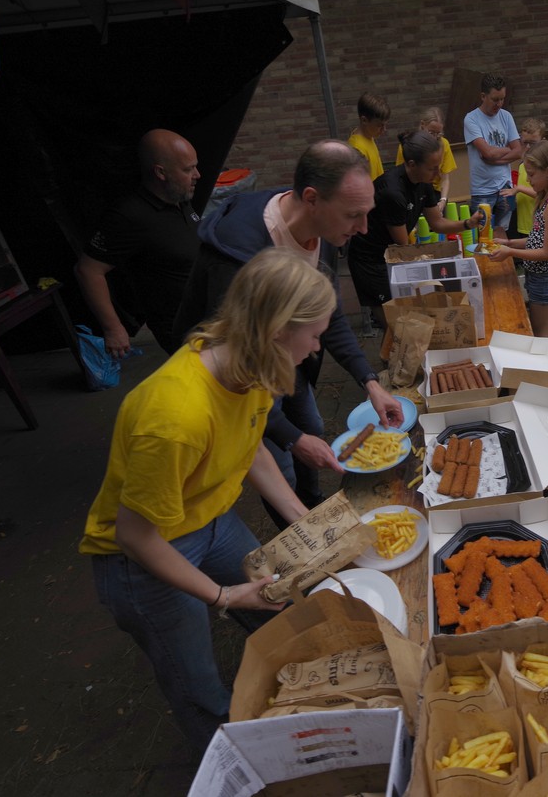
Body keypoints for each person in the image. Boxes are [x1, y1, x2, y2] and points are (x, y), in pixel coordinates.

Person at [80, 248, 335, 751]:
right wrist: (223, 596)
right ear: (277, 331)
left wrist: (301, 519)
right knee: (197, 685)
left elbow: (250, 442)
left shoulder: (249, 365)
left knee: (283, 614)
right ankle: (234, 764)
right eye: (314, 335)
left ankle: (307, 708)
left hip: (210, 521)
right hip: (144, 554)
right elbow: (134, 536)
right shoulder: (175, 418)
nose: (316, 348)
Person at [171, 141, 402, 513]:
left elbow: (329, 313)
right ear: (312, 199)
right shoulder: (237, 257)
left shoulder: (326, 230)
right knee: (280, 462)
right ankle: (295, 525)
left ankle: (310, 502)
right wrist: (290, 438)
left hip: (283, 358)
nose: (362, 228)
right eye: (353, 216)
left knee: (311, 425)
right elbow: (233, 370)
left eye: (366, 214)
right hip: (238, 377)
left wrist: (370, 382)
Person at [75, 129, 201, 357]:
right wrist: (113, 328)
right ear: (160, 172)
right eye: (188, 169)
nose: (197, 175)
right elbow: (88, 271)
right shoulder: (129, 215)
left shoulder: (180, 200)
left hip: (210, 315)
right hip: (183, 329)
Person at [349, 131, 484, 321]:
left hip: (392, 253)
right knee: (394, 322)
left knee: (408, 320)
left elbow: (437, 223)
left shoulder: (424, 182)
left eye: (438, 167)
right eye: (432, 168)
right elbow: (404, 244)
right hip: (370, 260)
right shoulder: (393, 192)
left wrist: (468, 223)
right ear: (412, 164)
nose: (437, 174)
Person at [488, 140, 548, 338]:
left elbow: (547, 252)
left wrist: (510, 252)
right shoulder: (547, 198)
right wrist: (508, 243)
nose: (528, 180)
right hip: (540, 274)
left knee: (540, 336)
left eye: (532, 175)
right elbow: (536, 240)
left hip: (545, 276)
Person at [464, 73, 523, 239]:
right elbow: (487, 152)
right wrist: (506, 149)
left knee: (502, 231)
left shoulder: (506, 116)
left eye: (502, 99)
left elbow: (518, 151)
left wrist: (494, 158)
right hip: (482, 189)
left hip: (505, 185)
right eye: (495, 99)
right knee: (483, 235)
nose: (499, 104)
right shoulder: (471, 119)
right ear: (483, 96)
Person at [394, 107, 456, 204]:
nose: (434, 137)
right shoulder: (409, 144)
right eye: (431, 133)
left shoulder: (444, 144)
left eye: (438, 133)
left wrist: (443, 199)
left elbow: (445, 178)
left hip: (435, 193)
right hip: (414, 191)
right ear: (423, 125)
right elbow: (401, 175)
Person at [512, 118, 548, 238]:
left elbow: (546, 195)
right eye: (525, 143)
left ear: (543, 141)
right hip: (522, 224)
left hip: (538, 225)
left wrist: (519, 188)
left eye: (533, 143)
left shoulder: (545, 167)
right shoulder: (522, 165)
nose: (528, 147)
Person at [347, 92, 389, 180]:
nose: (384, 129)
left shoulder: (368, 136)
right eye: (379, 125)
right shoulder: (357, 148)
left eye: (385, 125)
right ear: (364, 120)